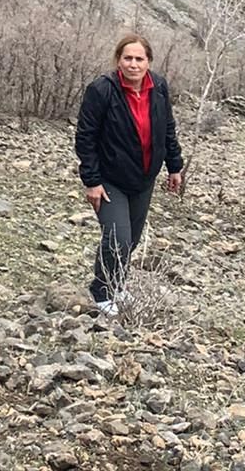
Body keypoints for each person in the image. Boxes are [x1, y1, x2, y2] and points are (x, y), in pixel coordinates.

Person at [75, 33, 184, 316]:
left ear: (148, 61)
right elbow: (85, 137)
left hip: (144, 178)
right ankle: (101, 291)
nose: (133, 64)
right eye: (128, 58)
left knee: (131, 239)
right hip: (110, 179)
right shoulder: (102, 90)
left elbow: (167, 128)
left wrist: (174, 165)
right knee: (117, 238)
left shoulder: (158, 87)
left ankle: (117, 285)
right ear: (118, 60)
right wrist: (92, 181)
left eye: (139, 58)